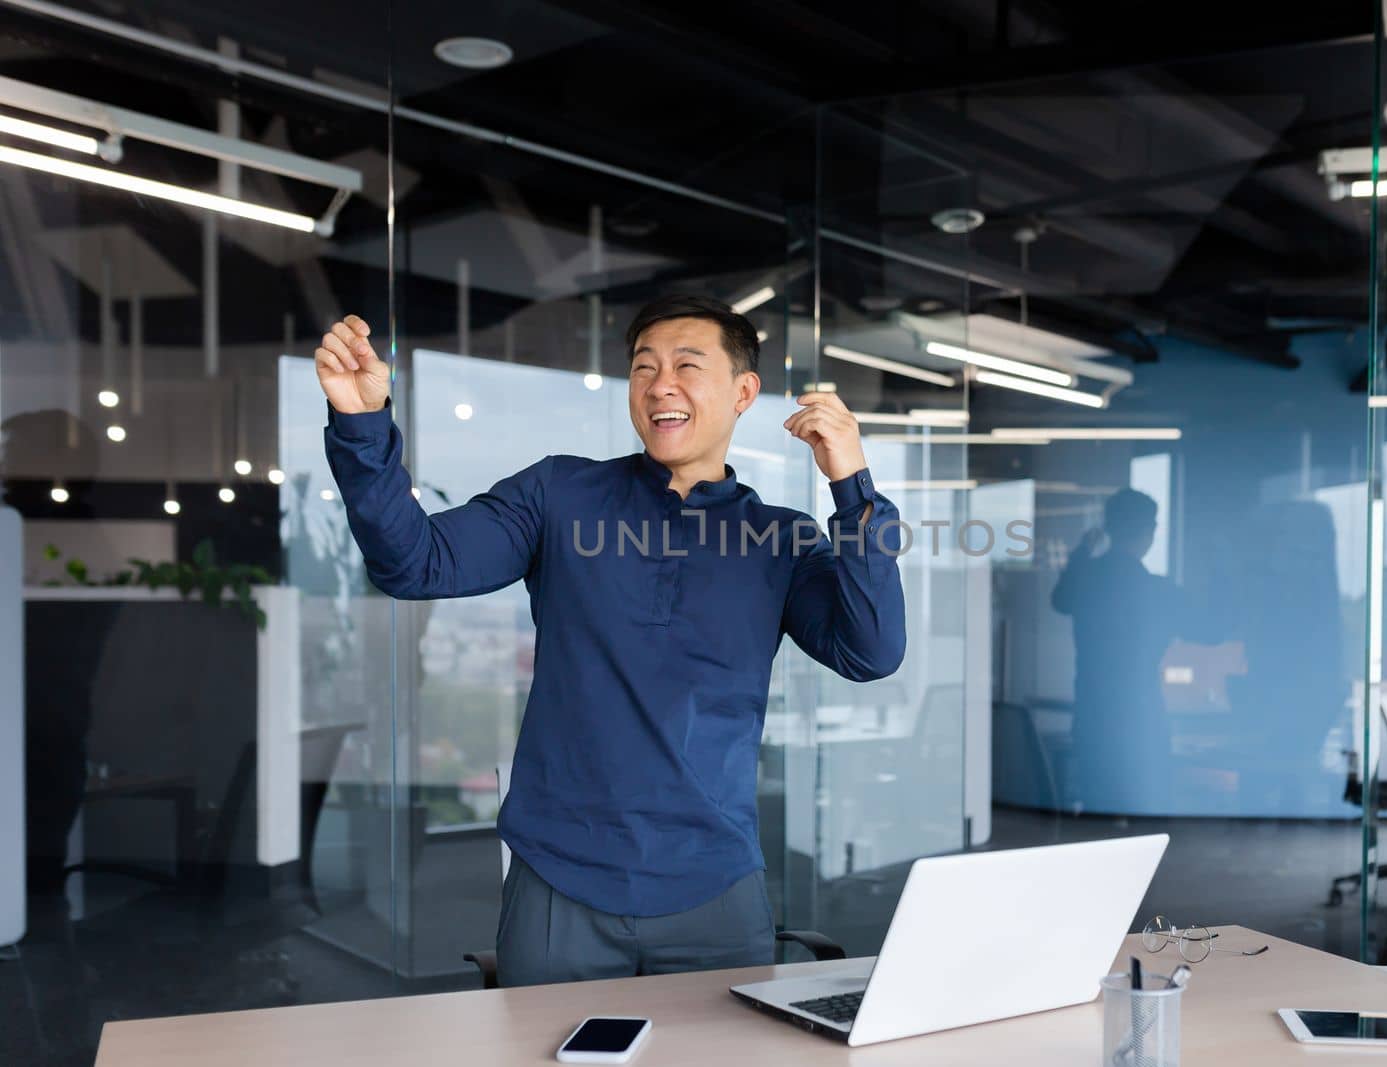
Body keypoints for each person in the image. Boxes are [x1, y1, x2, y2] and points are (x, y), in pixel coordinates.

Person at [317, 294, 905, 985]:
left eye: (687, 365)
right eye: (643, 367)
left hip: (715, 892)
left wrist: (852, 486)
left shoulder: (781, 537)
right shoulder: (558, 494)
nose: (661, 384)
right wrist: (361, 424)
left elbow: (870, 650)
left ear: (744, 391)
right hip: (560, 885)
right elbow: (415, 562)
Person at [1050, 488, 1185, 813]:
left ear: (1109, 528)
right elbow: (1212, 631)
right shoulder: (1156, 588)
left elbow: (1060, 600)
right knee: (1147, 806)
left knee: (1098, 806)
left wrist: (1082, 552)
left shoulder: (1087, 579)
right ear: (1149, 532)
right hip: (1140, 710)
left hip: (1093, 708)